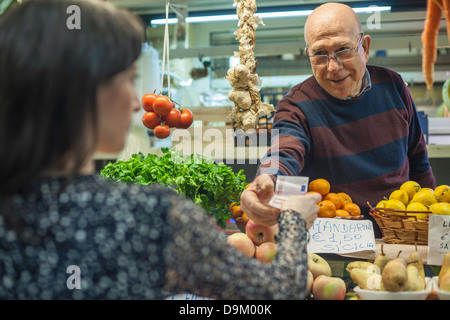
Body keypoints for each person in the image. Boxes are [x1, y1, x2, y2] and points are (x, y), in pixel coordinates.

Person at [0, 0, 321, 300]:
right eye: (128, 79)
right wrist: (293, 220)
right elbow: (278, 291)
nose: (134, 100)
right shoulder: (150, 217)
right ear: (81, 93)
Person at [240, 2, 436, 238]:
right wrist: (265, 179)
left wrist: (432, 231)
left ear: (364, 47)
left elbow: (419, 166)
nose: (333, 67)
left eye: (343, 50)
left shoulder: (393, 87)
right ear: (308, 55)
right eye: (320, 54)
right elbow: (283, 153)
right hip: (332, 242)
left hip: (398, 236)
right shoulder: (295, 106)